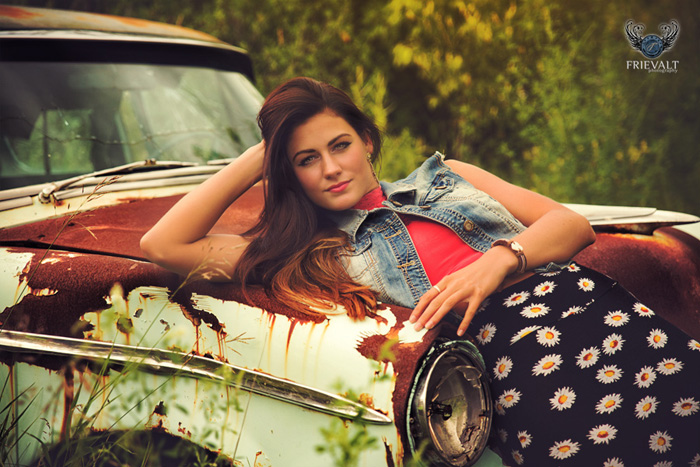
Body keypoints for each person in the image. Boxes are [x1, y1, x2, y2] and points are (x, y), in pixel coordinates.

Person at [141, 77, 700, 466]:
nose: (332, 168)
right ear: (286, 173)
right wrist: (263, 152)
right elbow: (163, 243)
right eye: (306, 159)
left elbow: (571, 225)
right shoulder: (310, 252)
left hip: (596, 310)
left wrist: (497, 260)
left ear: (366, 141)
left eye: (340, 145)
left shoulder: (446, 176)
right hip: (525, 361)